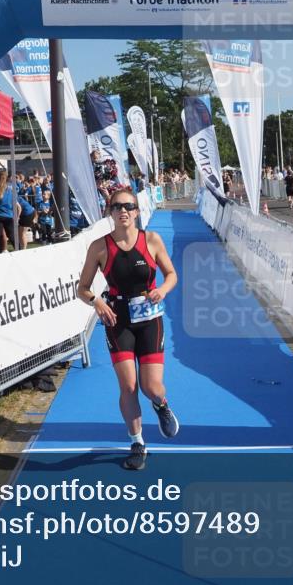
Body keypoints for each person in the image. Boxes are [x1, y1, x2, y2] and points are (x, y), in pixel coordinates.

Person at [77, 188, 179, 471]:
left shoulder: (152, 240)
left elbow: (171, 275)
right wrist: (97, 301)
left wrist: (162, 290)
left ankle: (161, 405)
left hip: (149, 319)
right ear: (109, 212)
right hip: (117, 319)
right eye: (116, 206)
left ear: (136, 211)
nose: (123, 211)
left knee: (151, 387)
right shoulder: (99, 247)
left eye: (128, 206)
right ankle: (137, 443)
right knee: (129, 386)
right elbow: (81, 288)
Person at [0, 170, 16, 254]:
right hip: (9, 215)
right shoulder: (11, 188)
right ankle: (19, 250)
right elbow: (14, 202)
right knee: (12, 236)